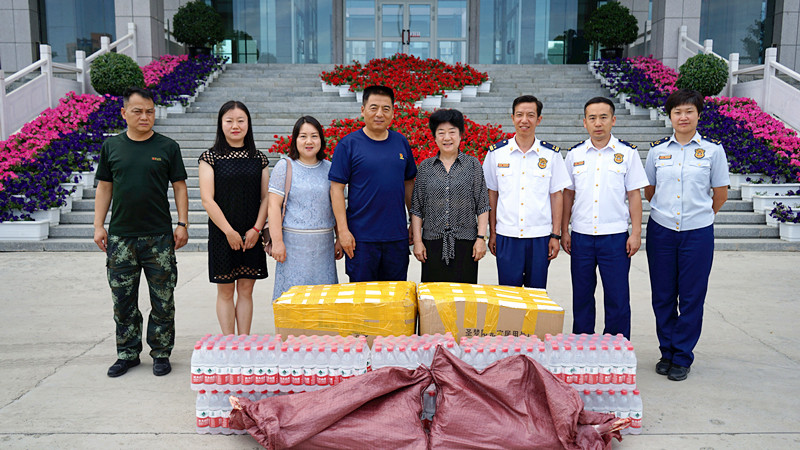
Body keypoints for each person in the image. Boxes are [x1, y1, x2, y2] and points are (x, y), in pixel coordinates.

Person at [93, 87, 188, 378]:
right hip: (121, 238)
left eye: (149, 111)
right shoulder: (112, 147)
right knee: (123, 301)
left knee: (163, 299)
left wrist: (182, 224)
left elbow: (179, 186)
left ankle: (161, 353)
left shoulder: (168, 147)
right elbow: (104, 187)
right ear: (124, 113)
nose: (144, 116)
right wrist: (98, 225)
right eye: (138, 111)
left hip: (159, 237)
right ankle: (127, 353)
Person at [644, 89, 730, 381]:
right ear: (670, 116)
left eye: (689, 111)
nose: (683, 117)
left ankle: (682, 355)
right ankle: (666, 351)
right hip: (662, 231)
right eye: (677, 112)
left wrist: (700, 216)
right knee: (663, 295)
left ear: (698, 114)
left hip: (697, 233)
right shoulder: (657, 151)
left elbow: (720, 194)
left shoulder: (713, 151)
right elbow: (650, 190)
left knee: (692, 296)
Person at [561, 97, 649, 340]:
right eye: (592, 118)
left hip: (615, 237)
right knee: (582, 295)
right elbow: (568, 195)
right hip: (581, 236)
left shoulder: (627, 153)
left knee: (617, 296)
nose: (598, 123)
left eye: (603, 117)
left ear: (613, 120)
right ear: (584, 122)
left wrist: (636, 233)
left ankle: (616, 347)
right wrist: (564, 230)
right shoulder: (575, 154)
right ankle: (583, 345)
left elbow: (634, 195)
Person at [329, 85, 417, 282]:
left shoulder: (401, 142)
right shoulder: (348, 144)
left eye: (386, 109)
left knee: (395, 295)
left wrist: (413, 221)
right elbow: (336, 190)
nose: (379, 114)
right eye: (373, 108)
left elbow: (409, 184)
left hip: (396, 237)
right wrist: (343, 231)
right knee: (363, 297)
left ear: (393, 112)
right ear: (363, 110)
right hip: (361, 239)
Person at [482, 95, 570, 288]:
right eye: (519, 115)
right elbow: (492, 195)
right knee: (509, 295)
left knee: (536, 294)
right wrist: (493, 232)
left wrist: (555, 235)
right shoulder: (496, 153)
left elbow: (557, 196)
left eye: (530, 115)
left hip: (540, 237)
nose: (524, 120)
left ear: (539, 119)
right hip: (507, 236)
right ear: (512, 117)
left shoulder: (551, 155)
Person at [198, 101, 269, 335]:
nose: (235, 126)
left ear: (248, 124)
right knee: (226, 291)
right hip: (222, 234)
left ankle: (244, 341)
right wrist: (229, 231)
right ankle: (229, 342)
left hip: (251, 234)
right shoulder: (209, 158)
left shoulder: (259, 158)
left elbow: (266, 198)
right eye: (229, 121)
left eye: (240, 120)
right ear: (221, 124)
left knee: (246, 291)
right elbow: (207, 200)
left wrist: (256, 229)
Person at [410, 109, 490, 283]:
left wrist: (481, 239)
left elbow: (483, 205)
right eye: (441, 132)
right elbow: (417, 208)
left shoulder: (472, 165)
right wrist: (418, 241)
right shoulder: (425, 167)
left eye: (452, 132)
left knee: (463, 295)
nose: (447, 138)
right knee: (433, 295)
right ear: (435, 137)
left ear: (460, 135)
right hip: (432, 243)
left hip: (466, 243)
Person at [268, 116, 342, 299]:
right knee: (293, 299)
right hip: (293, 247)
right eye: (303, 136)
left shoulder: (330, 168)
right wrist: (277, 242)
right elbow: (273, 206)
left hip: (323, 246)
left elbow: (336, 206)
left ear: (321, 140)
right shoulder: (285, 167)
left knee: (323, 300)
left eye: (314, 136)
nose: (309, 141)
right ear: (295, 140)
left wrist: (340, 237)